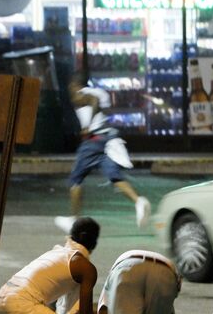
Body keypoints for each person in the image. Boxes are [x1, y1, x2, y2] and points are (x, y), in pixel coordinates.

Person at [54, 73, 151, 234]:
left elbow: (93, 101)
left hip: (93, 140)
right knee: (114, 175)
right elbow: (99, 104)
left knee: (75, 178)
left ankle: (73, 219)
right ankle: (138, 201)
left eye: (70, 87)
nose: (70, 91)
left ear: (74, 85)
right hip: (108, 138)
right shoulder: (100, 92)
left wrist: (87, 126)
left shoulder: (80, 95)